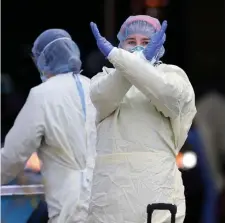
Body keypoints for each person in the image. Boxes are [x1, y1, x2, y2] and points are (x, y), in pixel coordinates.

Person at [87, 15, 197, 223]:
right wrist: (131, 64)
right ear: (120, 45)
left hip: (157, 200)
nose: (138, 48)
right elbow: (102, 97)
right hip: (110, 204)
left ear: (159, 45)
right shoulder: (104, 79)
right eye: (131, 42)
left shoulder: (172, 75)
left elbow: (167, 95)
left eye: (146, 43)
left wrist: (126, 61)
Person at [1, 29, 96, 223]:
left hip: (69, 204)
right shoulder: (96, 88)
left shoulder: (42, 95)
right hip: (105, 199)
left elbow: (13, 155)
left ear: (42, 60)